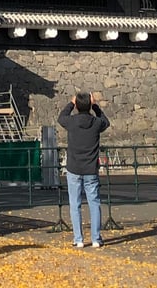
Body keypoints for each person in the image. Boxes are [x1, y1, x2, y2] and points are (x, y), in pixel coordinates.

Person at [58, 92, 109, 248]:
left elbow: (61, 117)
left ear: (77, 106)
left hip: (74, 167)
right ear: (89, 105)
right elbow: (106, 122)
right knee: (94, 203)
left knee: (75, 204)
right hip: (91, 169)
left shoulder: (71, 122)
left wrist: (71, 103)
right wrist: (95, 106)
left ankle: (78, 238)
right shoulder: (96, 123)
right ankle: (96, 238)